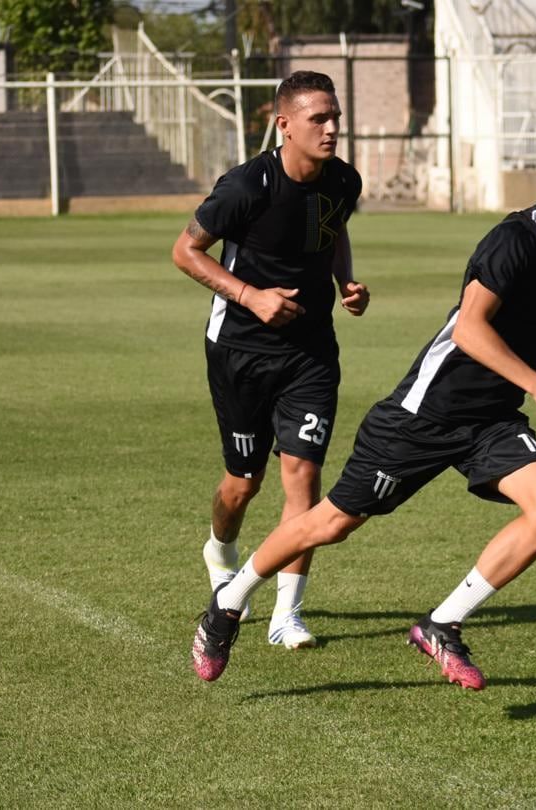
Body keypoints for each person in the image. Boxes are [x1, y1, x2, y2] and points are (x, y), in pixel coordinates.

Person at [191, 140, 536, 688]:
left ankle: (442, 624)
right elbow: (469, 331)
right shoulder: (513, 240)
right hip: (423, 415)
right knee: (331, 524)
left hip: (491, 418)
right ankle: (227, 604)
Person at [171, 70, 369, 650]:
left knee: (303, 476)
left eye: (335, 117)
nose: (331, 128)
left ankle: (288, 613)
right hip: (240, 351)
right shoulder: (245, 186)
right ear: (285, 124)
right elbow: (185, 251)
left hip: (311, 352)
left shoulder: (344, 180)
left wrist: (345, 281)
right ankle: (220, 551)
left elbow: (333, 230)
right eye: (318, 118)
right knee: (243, 483)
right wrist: (250, 296)